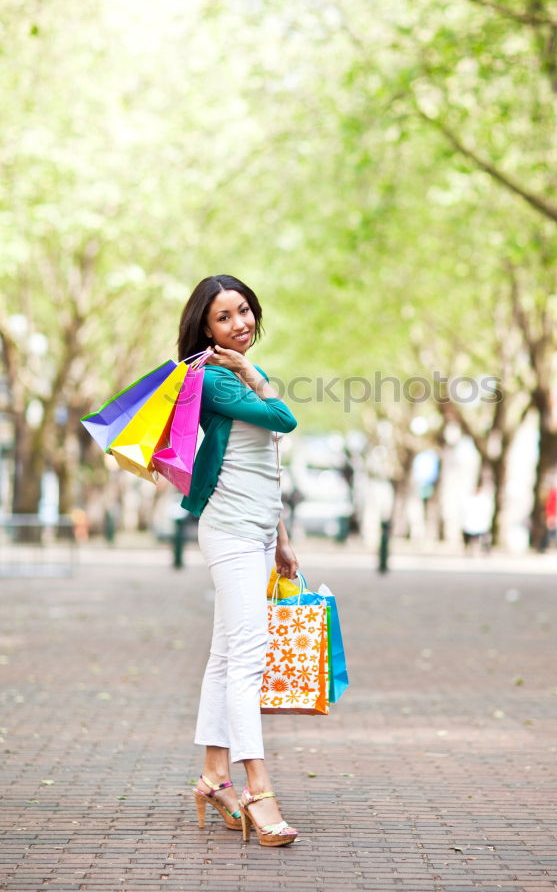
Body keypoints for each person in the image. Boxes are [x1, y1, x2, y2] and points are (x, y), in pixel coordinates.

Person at [177, 274, 300, 848]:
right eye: (224, 317)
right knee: (247, 660)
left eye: (245, 310)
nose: (240, 324)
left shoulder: (248, 376)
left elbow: (262, 462)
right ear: (205, 327)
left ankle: (211, 777)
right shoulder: (211, 378)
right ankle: (256, 786)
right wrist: (256, 378)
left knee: (226, 656)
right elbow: (283, 421)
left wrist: (280, 537)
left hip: (255, 530)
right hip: (226, 531)